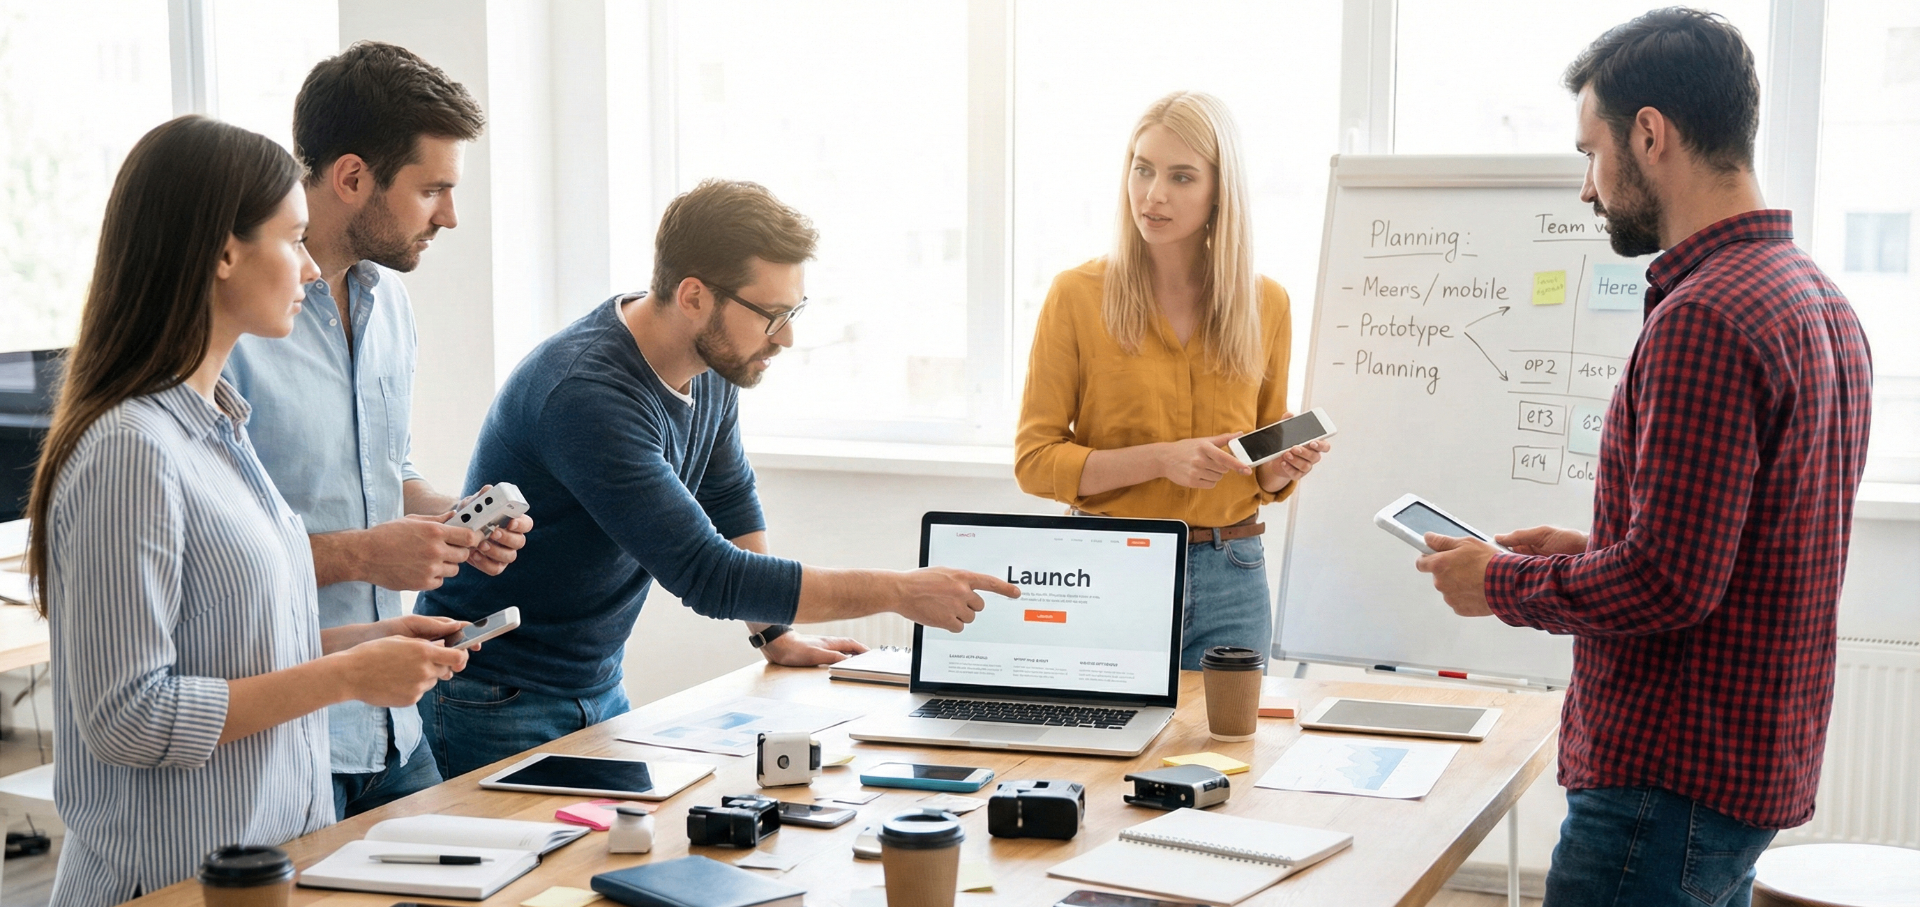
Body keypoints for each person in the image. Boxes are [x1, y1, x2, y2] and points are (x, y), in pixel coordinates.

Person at [1413, 12, 1872, 907]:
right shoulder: (1818, 302)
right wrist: (1589, 545)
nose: (1587, 187)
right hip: (1737, 773)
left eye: (1592, 152)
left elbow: (1673, 581)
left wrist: (1509, 583)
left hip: (1664, 782)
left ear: (1651, 136)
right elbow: (1737, 547)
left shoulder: (1707, 316)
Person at [415, 179, 1019, 778]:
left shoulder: (710, 364)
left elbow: (727, 499)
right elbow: (709, 575)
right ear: (695, 297)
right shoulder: (587, 394)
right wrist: (901, 592)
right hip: (491, 693)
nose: (786, 338)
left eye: (794, 311)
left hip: (593, 683)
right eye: (771, 316)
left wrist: (773, 634)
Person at [30, 116, 471, 907]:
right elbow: (130, 715)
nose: (309, 269)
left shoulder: (220, 426)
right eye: (293, 240)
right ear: (222, 254)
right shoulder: (133, 450)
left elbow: (235, 644)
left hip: (256, 886)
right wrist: (342, 679)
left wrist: (369, 646)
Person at [225, 43, 529, 818]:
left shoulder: (390, 302)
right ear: (353, 177)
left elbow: (379, 465)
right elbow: (217, 556)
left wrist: (449, 517)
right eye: (433, 189)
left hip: (396, 725)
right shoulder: (231, 326)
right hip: (287, 732)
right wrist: (365, 552)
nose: (451, 216)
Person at [1014, 91, 1328, 669]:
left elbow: (1258, 466)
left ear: (1218, 192)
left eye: (1181, 177)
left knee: (1230, 755)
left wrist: (1281, 468)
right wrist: (1161, 459)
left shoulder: (1267, 304)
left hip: (1232, 571)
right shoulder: (1076, 295)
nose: (1152, 194)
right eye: (1142, 169)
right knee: (1101, 746)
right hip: (1110, 569)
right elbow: (1035, 462)